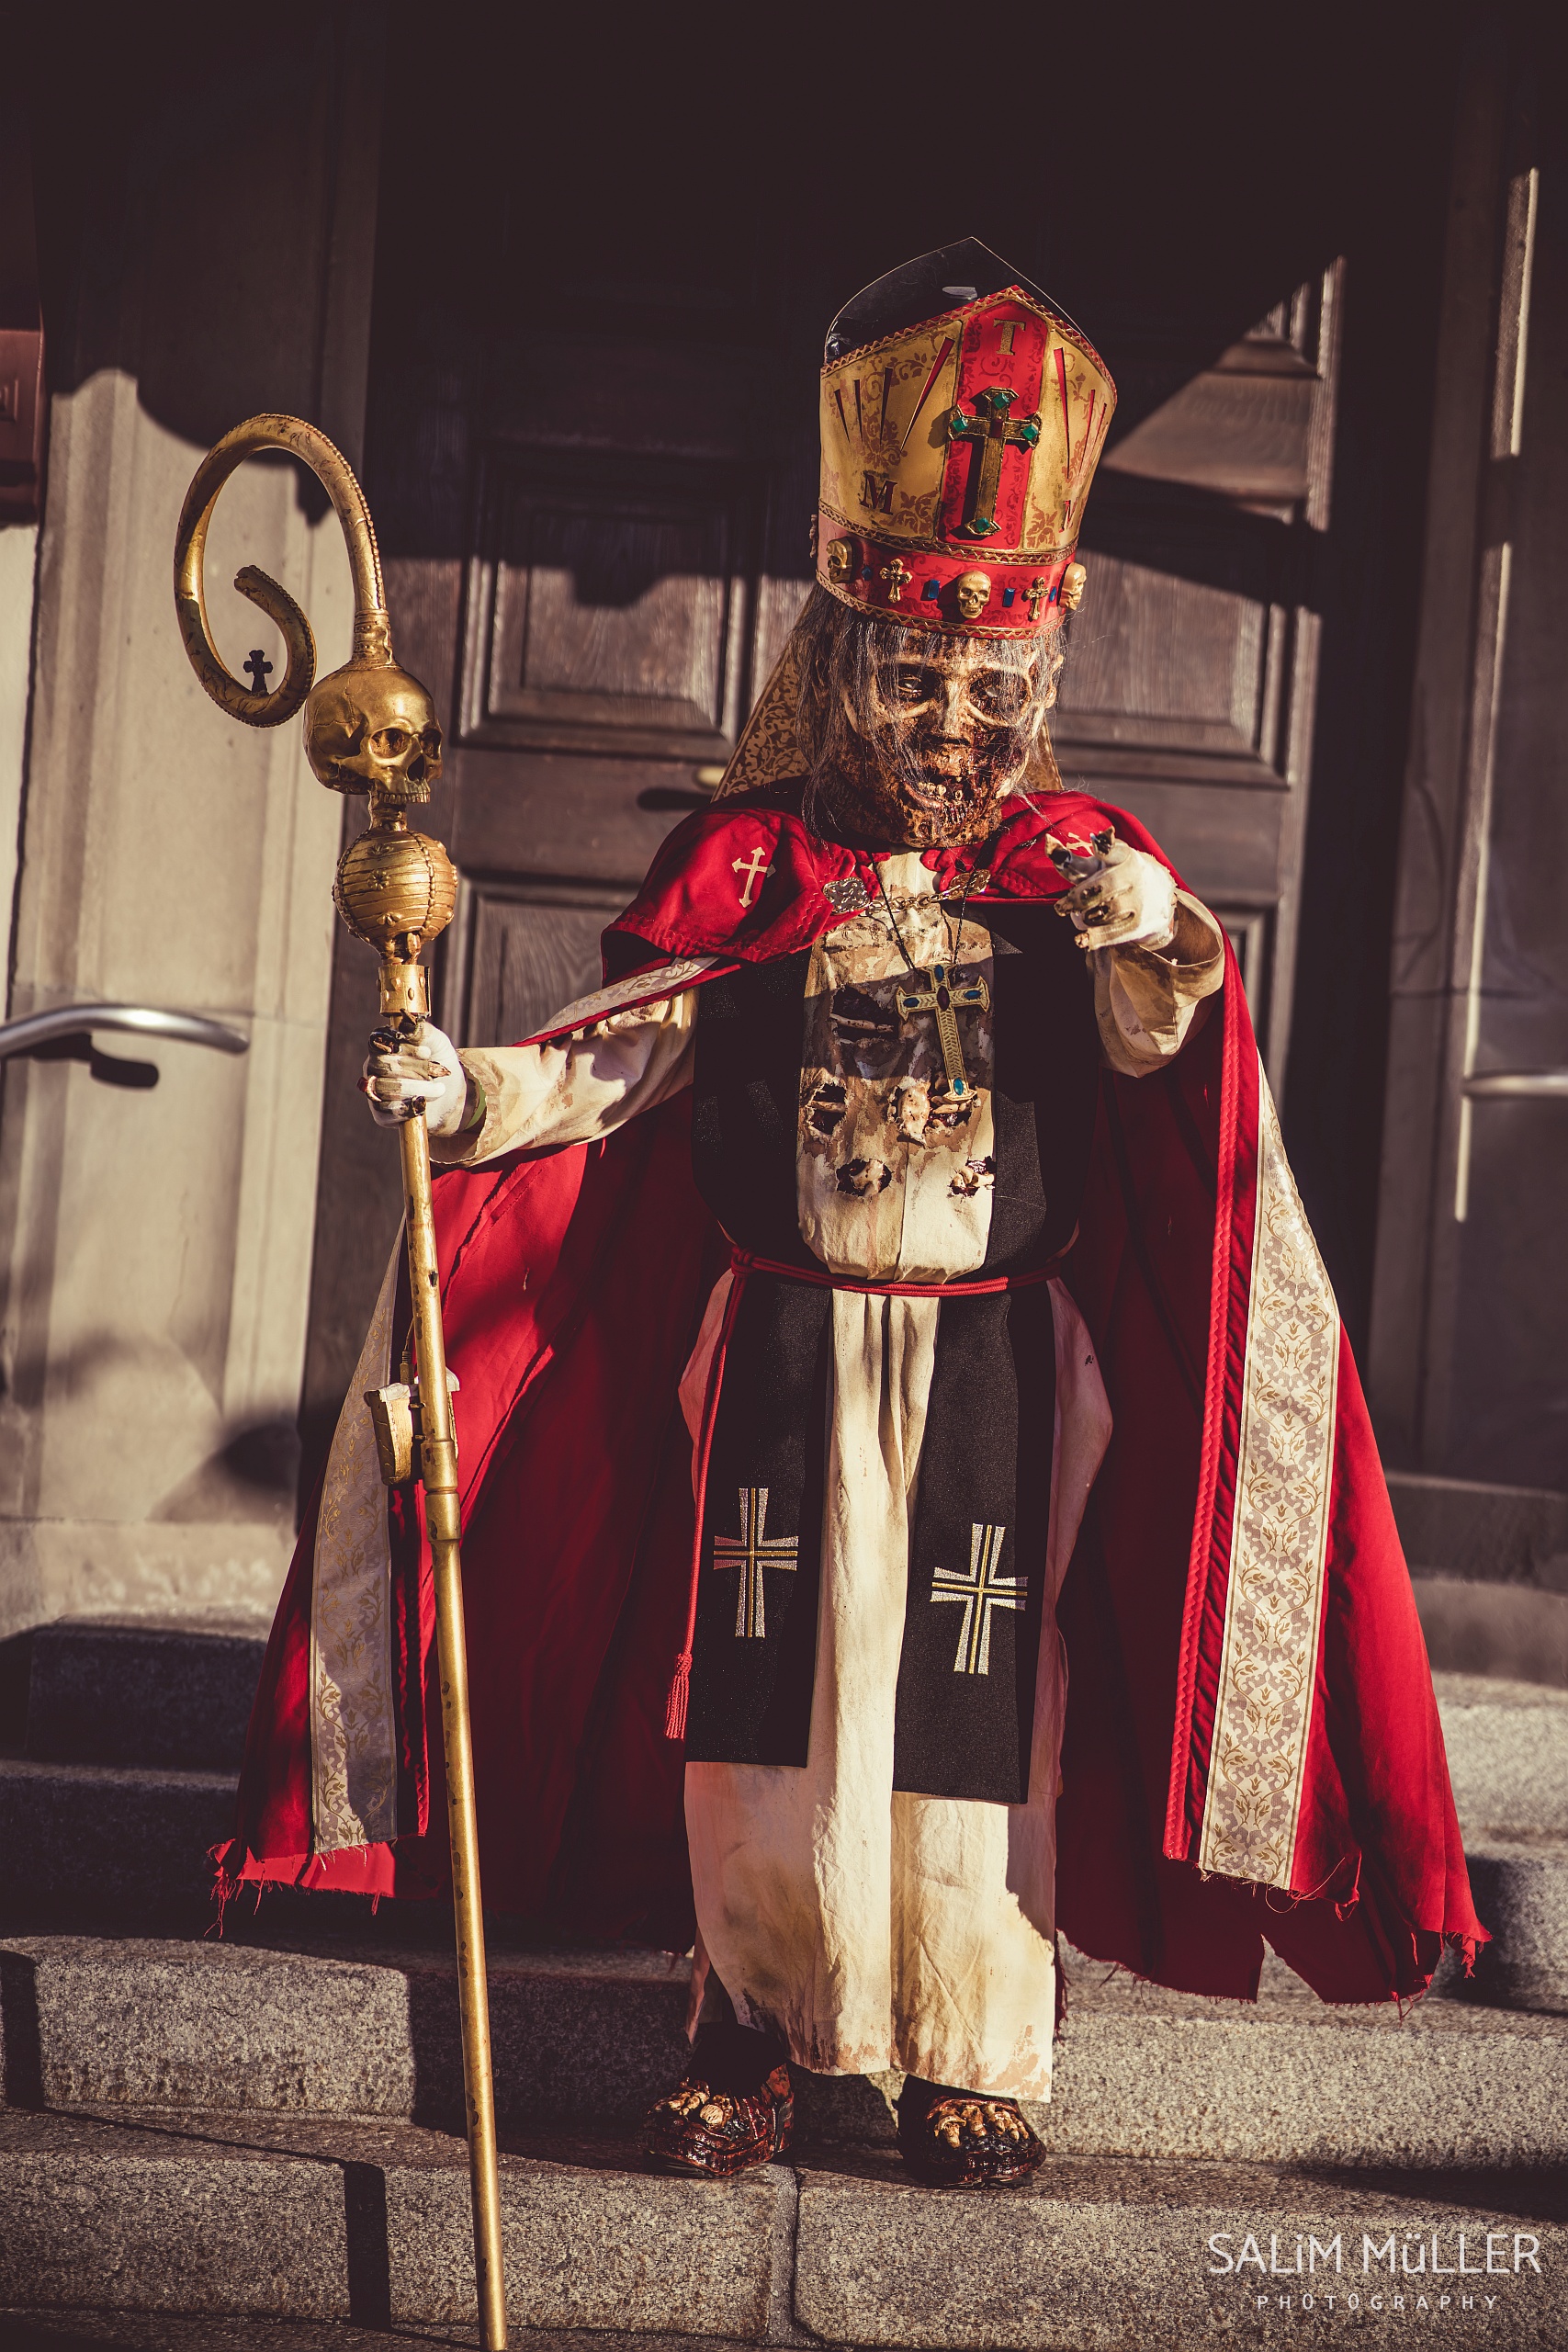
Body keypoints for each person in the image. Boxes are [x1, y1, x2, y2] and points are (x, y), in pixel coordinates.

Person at [220, 242, 1483, 2191]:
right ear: (844, 660)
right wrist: (461, 1090)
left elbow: (1163, 1054)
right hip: (787, 1340)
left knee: (976, 1705)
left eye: (991, 682)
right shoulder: (749, 865)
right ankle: (757, 2015)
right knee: (758, 1698)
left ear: (1039, 672)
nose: (953, 716)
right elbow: (619, 1065)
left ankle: (970, 2036)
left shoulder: (1073, 873)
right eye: (917, 674)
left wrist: (1152, 937)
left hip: (985, 1342)